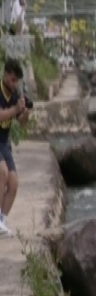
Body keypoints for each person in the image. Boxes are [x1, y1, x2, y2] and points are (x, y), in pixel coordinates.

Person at [0, 58, 29, 236]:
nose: (14, 83)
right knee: (2, 173)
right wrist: (14, 110)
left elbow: (22, 123)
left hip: (3, 142)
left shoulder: (15, 94)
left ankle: (1, 220)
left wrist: (24, 111)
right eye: (12, 79)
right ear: (5, 75)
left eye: (17, 80)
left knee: (14, 182)